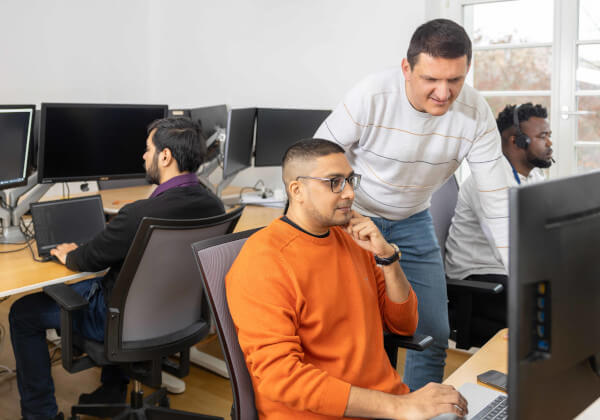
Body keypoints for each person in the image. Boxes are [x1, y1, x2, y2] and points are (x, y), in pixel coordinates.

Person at [314, 18, 513, 390]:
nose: (443, 92)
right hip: (356, 216)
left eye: (455, 80)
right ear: (407, 68)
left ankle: (421, 411)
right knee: (353, 335)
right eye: (431, 79)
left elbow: (497, 204)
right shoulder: (372, 95)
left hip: (413, 218)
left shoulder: (475, 114)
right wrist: (343, 215)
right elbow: (317, 161)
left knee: (434, 334)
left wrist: (526, 279)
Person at [226, 139, 468, 420]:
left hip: (388, 405)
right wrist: (400, 407)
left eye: (350, 180)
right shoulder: (264, 261)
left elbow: (404, 325)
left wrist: (387, 258)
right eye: (335, 182)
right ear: (297, 190)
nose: (350, 193)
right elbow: (281, 378)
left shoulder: (354, 238)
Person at [9, 117, 225, 420]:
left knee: (22, 312)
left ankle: (39, 415)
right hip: (177, 317)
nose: (143, 156)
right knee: (123, 283)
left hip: (118, 322)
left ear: (165, 156)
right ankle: (112, 389)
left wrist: (70, 254)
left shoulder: (138, 214)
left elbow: (88, 260)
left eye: (148, 149)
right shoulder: (214, 206)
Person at [444, 103, 553, 341]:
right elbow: (506, 246)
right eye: (542, 136)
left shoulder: (533, 175)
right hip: (478, 276)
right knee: (552, 311)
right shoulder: (488, 183)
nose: (549, 143)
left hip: (508, 268)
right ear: (517, 141)